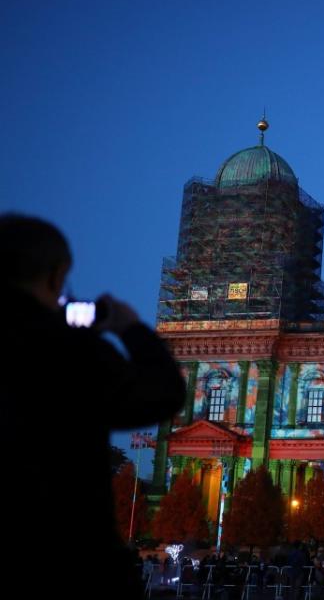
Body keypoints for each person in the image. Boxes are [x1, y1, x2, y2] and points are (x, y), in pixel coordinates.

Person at [1, 215, 186, 600]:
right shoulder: (63, 349)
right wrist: (130, 329)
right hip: (66, 558)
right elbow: (164, 395)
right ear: (56, 276)